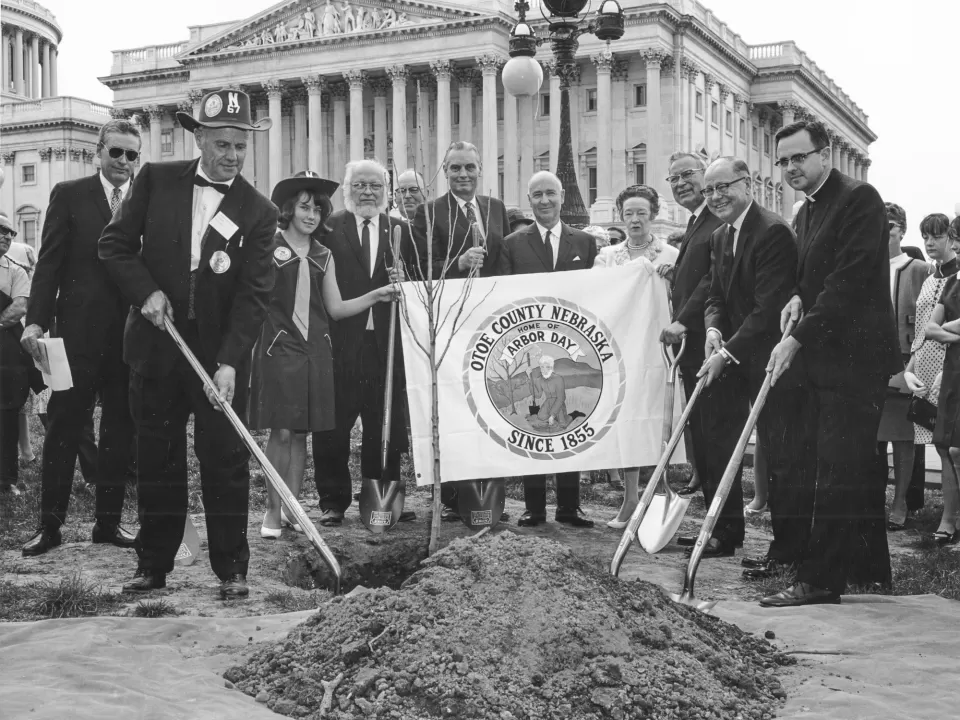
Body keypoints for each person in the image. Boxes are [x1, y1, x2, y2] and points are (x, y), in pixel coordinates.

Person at [99, 89, 277, 598]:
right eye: (221, 144)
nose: (231, 155)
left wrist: (229, 361)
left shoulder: (258, 212)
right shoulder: (155, 180)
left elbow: (255, 294)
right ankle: (154, 562)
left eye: (240, 146)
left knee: (223, 457)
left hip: (216, 350)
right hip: (158, 341)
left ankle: (231, 568)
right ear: (198, 138)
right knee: (158, 454)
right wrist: (145, 291)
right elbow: (113, 246)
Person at [764, 120, 901, 607]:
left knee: (840, 467)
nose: (790, 168)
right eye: (782, 161)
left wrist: (796, 339)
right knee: (856, 465)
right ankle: (866, 568)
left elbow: (848, 279)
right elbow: (811, 273)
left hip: (855, 358)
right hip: (827, 355)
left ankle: (820, 579)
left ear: (824, 155)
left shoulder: (859, 198)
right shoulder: (805, 212)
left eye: (799, 158)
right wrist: (797, 296)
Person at [18, 120, 142, 557]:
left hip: (128, 338)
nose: (124, 162)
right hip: (75, 337)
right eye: (117, 153)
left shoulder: (142, 201)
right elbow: (48, 263)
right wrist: (34, 321)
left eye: (132, 155)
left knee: (118, 430)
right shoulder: (70, 194)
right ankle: (48, 527)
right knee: (65, 428)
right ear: (100, 152)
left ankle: (107, 524)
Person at [252, 171, 398, 537]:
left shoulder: (323, 254)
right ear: (288, 210)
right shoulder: (268, 248)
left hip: (315, 351)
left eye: (318, 209)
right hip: (279, 348)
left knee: (302, 434)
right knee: (282, 432)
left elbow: (335, 308)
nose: (312, 215)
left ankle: (292, 508)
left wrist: (375, 295)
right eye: (304, 207)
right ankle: (271, 511)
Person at [695, 157, 807, 569]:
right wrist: (712, 332)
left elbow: (767, 308)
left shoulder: (773, 231)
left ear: (747, 185)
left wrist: (727, 352)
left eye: (723, 187)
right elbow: (715, 297)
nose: (715, 196)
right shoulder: (719, 236)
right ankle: (724, 533)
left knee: (778, 454)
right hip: (731, 354)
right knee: (718, 442)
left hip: (769, 360)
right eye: (708, 190)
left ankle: (786, 551)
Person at [312, 159, 415, 527]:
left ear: (385, 192)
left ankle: (380, 496)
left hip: (386, 346)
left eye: (374, 186)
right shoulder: (329, 228)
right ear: (347, 189)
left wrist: (405, 279)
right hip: (341, 342)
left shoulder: (400, 229)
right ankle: (333, 501)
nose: (367, 192)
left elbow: (418, 284)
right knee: (333, 427)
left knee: (383, 423)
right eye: (360, 185)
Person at [412, 141, 510, 520]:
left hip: (490, 322)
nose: (463, 175)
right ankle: (454, 498)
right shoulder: (428, 212)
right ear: (445, 171)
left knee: (492, 402)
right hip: (451, 324)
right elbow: (422, 264)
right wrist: (458, 262)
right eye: (455, 169)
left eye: (469, 167)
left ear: (480, 168)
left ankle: (489, 496)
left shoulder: (496, 208)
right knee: (454, 407)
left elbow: (504, 260)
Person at [498, 171, 597, 528]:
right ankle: (534, 507)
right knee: (534, 420)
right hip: (527, 342)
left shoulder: (584, 242)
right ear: (529, 198)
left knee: (567, 416)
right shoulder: (512, 243)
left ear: (562, 196)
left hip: (570, 343)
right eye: (537, 194)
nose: (544, 201)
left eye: (550, 194)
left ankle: (570, 507)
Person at [593, 185, 677, 527]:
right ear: (620, 216)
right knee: (627, 422)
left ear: (653, 215)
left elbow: (684, 297)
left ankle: (657, 497)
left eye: (642, 212)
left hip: (657, 348)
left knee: (657, 422)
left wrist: (674, 280)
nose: (635, 219)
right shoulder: (608, 257)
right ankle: (630, 499)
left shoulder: (671, 255)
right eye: (629, 213)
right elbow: (598, 294)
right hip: (621, 349)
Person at [658, 153, 724, 502]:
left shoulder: (716, 220)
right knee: (700, 424)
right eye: (674, 178)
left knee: (711, 427)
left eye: (687, 174)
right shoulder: (698, 221)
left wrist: (683, 319)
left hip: (704, 339)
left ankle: (721, 522)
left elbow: (713, 279)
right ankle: (712, 504)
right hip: (693, 342)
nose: (681, 183)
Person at [903, 214, 959, 543]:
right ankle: (947, 514)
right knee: (939, 441)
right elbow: (924, 328)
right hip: (925, 363)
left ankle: (950, 518)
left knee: (952, 444)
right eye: (926, 236)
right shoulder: (930, 276)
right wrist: (912, 364)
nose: (931, 242)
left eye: (937, 236)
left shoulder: (954, 276)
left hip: (948, 367)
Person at [881, 204, 932, 530]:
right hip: (868, 363)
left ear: (901, 230)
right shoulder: (865, 267)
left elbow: (928, 318)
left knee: (903, 436)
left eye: (889, 226)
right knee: (872, 436)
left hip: (904, 361)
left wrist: (912, 362)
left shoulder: (918, 269)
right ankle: (872, 500)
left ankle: (900, 503)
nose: (884, 233)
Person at [923, 215, 960, 546]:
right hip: (952, 371)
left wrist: (944, 329)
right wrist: (954, 329)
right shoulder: (952, 283)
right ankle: (949, 518)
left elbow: (938, 329)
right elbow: (930, 330)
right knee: (947, 445)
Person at [0, 218, 37, 497]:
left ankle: (6, 478)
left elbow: (19, 307)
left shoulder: (16, 272)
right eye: (1, 231)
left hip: (6, 351)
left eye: (10, 233)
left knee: (6, 416)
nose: (7, 237)